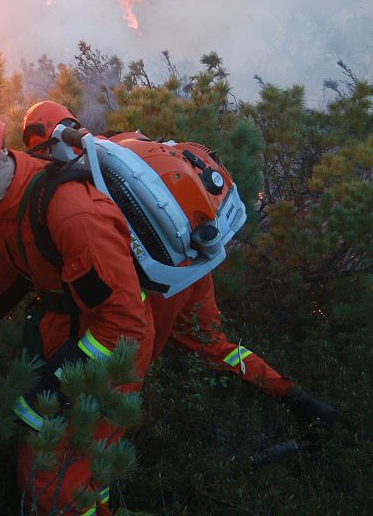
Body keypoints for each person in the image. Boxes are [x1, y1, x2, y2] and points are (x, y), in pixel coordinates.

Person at [21, 100, 337, 425]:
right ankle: (296, 399)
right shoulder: (125, 141)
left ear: (43, 143)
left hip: (156, 285)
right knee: (215, 345)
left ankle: (104, 448)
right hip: (195, 266)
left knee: (126, 369)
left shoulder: (77, 179)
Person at [0, 103, 152, 516]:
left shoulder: (72, 214)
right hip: (70, 327)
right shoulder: (5, 200)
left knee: (50, 480)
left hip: (115, 351)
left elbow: (124, 323)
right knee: (78, 470)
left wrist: (53, 386)